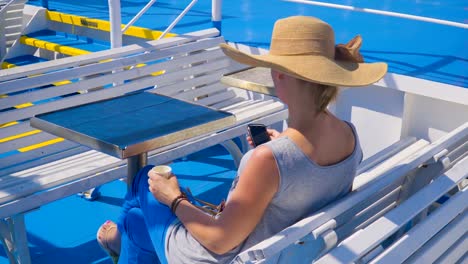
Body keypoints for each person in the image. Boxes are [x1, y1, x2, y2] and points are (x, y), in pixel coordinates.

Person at [96, 15, 387, 264]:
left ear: (281, 75)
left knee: (145, 180)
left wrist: (174, 199)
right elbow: (308, 179)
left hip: (218, 256)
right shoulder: (348, 134)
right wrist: (278, 148)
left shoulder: (268, 161)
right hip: (290, 249)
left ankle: (114, 236)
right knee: (137, 222)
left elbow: (220, 241)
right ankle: (120, 237)